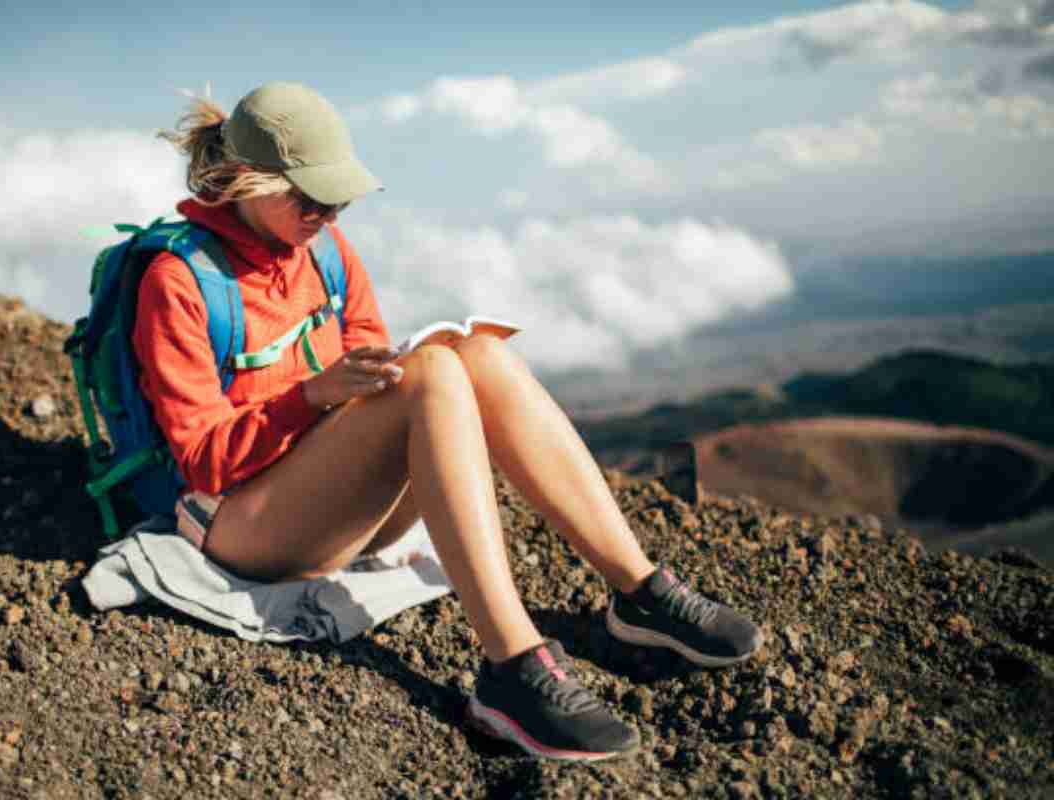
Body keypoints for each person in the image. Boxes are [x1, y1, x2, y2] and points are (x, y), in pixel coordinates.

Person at [137, 81, 764, 761]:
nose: (329, 211)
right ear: (244, 181)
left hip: (335, 494)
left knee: (479, 355)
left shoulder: (324, 251)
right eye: (311, 197)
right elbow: (204, 461)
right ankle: (511, 670)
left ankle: (640, 591)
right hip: (244, 527)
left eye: (338, 196)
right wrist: (313, 397)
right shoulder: (177, 282)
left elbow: (366, 348)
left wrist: (370, 379)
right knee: (435, 375)